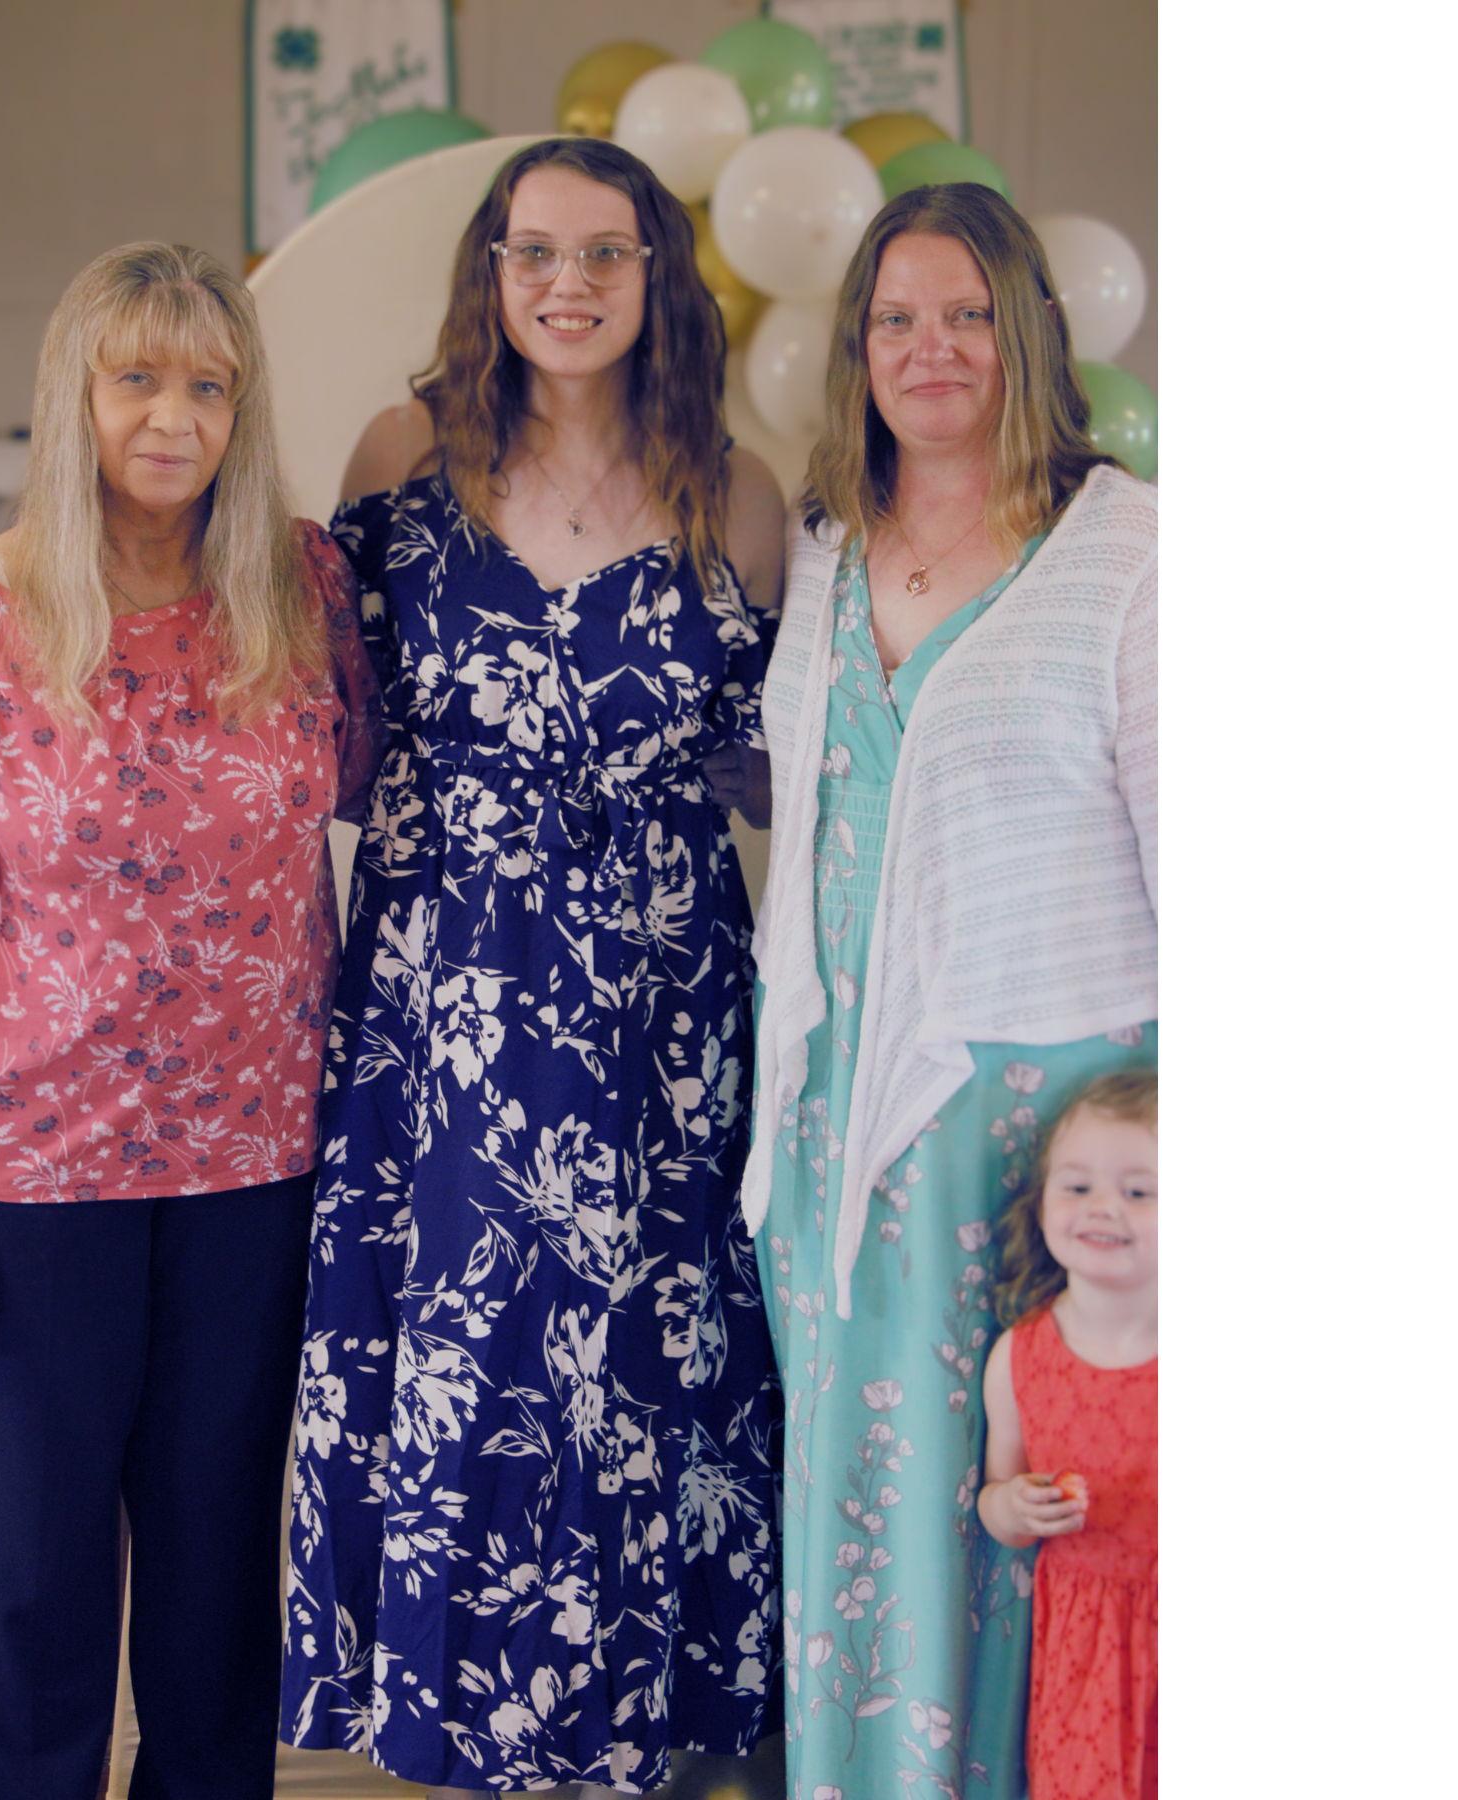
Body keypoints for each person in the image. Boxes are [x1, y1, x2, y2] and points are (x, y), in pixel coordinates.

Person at [279, 137, 786, 1796]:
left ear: (662, 280)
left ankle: (647, 1723)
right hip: (444, 996)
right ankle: (450, 1722)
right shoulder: (403, 454)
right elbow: (322, 728)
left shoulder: (741, 491)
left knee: (646, 1358)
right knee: (463, 1357)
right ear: (491, 273)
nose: (567, 286)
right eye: (534, 253)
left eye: (607, 255)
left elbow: (794, 766)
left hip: (665, 1008)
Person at [740, 182, 1157, 1800]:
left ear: (1028, 335)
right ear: (857, 348)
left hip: (1048, 1131)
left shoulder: (1122, 548)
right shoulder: (828, 554)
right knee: (862, 1503)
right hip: (840, 1117)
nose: (934, 347)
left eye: (970, 312)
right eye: (898, 317)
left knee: (1039, 1501)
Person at [0, 241, 382, 1800]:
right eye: (139, 377)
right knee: (31, 1583)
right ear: (79, 390)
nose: (174, 417)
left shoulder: (304, 581)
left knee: (214, 1583)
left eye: (209, 385)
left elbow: (371, 790)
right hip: (35, 1175)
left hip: (255, 1163)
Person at [979, 1072, 1158, 1800]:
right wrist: (1015, 1508)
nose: (1103, 1207)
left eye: (1141, 1191)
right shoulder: (1021, 1355)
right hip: (1084, 1667)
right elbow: (997, 1497)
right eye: (1076, 1186)